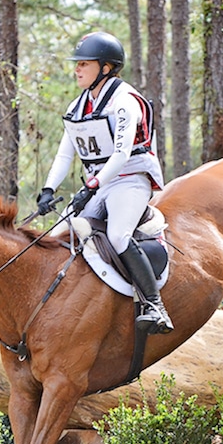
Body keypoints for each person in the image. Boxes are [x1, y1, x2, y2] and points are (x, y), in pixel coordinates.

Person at [35, 31, 172, 334]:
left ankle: (154, 306)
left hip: (130, 180)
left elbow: (122, 154)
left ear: (106, 68)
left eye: (84, 63)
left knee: (118, 236)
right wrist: (48, 189)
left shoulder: (125, 102)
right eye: (78, 64)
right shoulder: (77, 106)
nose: (77, 69)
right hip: (98, 184)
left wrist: (91, 186)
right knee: (58, 234)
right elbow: (64, 155)